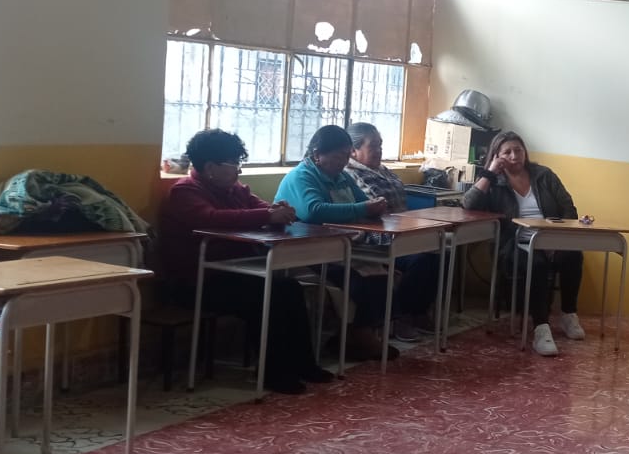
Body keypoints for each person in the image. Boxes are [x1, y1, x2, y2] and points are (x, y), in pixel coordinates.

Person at [156, 128, 334, 396]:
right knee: (268, 294)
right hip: (196, 282)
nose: (239, 171)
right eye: (233, 164)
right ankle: (275, 372)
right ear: (210, 168)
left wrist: (279, 211)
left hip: (235, 273)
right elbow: (211, 218)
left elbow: (259, 207)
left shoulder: (234, 190)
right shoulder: (184, 192)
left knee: (290, 289)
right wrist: (266, 215)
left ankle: (304, 364)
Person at [275, 124, 397, 362]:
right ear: (317, 154)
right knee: (359, 280)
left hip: (340, 247)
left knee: (381, 273)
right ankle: (358, 335)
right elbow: (314, 211)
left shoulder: (341, 177)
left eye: (346, 156)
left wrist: (375, 206)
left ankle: (354, 335)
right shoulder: (301, 176)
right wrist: (362, 209)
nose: (343, 162)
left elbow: (363, 201)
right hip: (306, 251)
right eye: (339, 156)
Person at [461, 129, 583, 357]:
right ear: (497, 156)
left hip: (550, 237)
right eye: (507, 152)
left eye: (518, 150)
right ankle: (541, 328)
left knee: (574, 255)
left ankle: (569, 314)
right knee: (537, 264)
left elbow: (569, 209)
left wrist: (556, 237)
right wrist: (489, 173)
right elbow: (468, 204)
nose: (514, 156)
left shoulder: (544, 175)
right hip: (514, 243)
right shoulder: (495, 182)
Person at [345, 122, 441, 342]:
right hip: (376, 238)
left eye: (380, 145)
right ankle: (401, 316)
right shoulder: (350, 174)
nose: (379, 151)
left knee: (438, 251)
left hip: (401, 232)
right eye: (373, 146)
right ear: (353, 151)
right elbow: (376, 207)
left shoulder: (383, 171)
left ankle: (417, 311)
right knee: (422, 260)